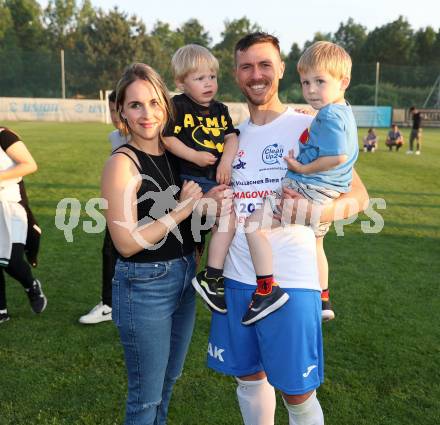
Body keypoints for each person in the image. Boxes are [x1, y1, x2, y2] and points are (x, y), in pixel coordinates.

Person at [207, 33, 369, 425]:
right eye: (247, 66)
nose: (257, 74)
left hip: (294, 280)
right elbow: (217, 206)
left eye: (266, 65)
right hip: (237, 276)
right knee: (249, 378)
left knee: (298, 393)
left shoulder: (311, 122)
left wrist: (315, 213)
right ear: (236, 74)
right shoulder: (233, 139)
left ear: (281, 69)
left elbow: (358, 197)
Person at [102, 63, 231, 425]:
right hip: (145, 285)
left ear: (166, 105)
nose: (147, 115)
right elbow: (126, 242)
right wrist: (182, 208)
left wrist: (209, 204)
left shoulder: (175, 155)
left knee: (168, 384)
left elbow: (191, 215)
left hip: (185, 275)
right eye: (135, 105)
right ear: (122, 111)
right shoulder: (122, 164)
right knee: (146, 398)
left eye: (154, 104)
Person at [243, 41, 358, 325]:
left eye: (320, 82)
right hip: (328, 191)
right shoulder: (338, 112)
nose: (311, 90)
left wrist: (302, 167)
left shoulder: (329, 114)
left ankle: (266, 289)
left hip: (307, 188)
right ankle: (324, 297)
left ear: (343, 82)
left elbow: (337, 156)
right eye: (306, 83)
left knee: (253, 226)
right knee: (318, 242)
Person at [163, 44, 239, 313]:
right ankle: (211, 275)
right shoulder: (178, 105)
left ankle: (211, 275)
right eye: (199, 78)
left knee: (226, 222)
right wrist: (193, 156)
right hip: (191, 179)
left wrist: (227, 160)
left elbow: (231, 137)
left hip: (215, 178)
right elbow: (168, 137)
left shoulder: (220, 109)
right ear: (181, 83)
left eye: (212, 77)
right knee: (225, 218)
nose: (208, 83)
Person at [79, 90, 129, 325]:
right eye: (111, 110)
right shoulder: (115, 137)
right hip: (120, 205)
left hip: (147, 205)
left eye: (119, 110)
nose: (116, 116)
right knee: (110, 251)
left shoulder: (148, 135)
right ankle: (109, 303)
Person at [0, 126, 47, 323]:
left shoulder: (4, 135)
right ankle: (1, 310)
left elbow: (29, 164)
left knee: (12, 261)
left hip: (9, 204)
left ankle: (31, 286)